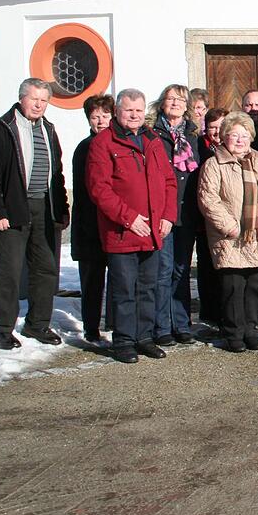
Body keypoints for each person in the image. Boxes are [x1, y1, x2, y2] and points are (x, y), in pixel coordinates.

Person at [86, 88, 177, 363]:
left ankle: (144, 337)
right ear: (118, 112)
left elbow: (169, 182)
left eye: (139, 110)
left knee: (148, 287)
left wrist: (167, 217)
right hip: (122, 231)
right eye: (129, 110)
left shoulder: (152, 141)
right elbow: (99, 189)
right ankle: (124, 341)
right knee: (124, 289)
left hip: (152, 230)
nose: (135, 115)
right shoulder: (103, 143)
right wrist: (129, 218)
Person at [0, 78, 70, 350]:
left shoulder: (48, 128)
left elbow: (57, 173)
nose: (39, 105)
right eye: (34, 99)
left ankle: (37, 324)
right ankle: (3, 328)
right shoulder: (2, 129)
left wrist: (62, 207)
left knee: (46, 269)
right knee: (10, 270)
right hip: (13, 209)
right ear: (22, 98)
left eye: (44, 100)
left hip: (45, 208)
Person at [197, 112, 258, 353]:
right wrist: (230, 226)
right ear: (224, 137)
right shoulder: (214, 164)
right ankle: (234, 333)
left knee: (255, 288)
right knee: (233, 289)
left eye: (244, 135)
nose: (239, 140)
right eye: (234, 135)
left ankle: (250, 329)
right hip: (232, 239)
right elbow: (208, 200)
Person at [148, 84, 201, 346]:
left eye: (181, 99)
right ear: (162, 103)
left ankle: (182, 324)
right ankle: (162, 327)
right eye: (170, 99)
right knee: (163, 269)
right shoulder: (152, 133)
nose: (176, 103)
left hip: (187, 212)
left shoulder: (193, 134)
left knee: (180, 269)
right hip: (163, 212)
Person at [71, 94, 115, 342]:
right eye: (95, 116)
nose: (100, 121)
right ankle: (91, 327)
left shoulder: (117, 144)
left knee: (118, 277)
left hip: (113, 223)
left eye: (105, 116)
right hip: (90, 224)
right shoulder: (85, 148)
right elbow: (86, 191)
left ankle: (113, 323)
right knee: (92, 280)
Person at [195, 107, 227, 325]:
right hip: (204, 219)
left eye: (220, 127)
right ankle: (209, 311)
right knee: (207, 266)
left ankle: (225, 310)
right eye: (212, 127)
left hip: (229, 218)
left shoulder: (234, 147)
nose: (216, 131)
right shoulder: (199, 147)